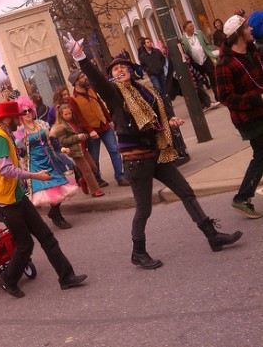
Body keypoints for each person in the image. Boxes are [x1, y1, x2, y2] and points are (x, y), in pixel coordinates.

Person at [64, 32, 243, 269]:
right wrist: (82, 58)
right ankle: (138, 252)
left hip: (157, 153)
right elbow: (98, 81)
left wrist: (169, 121)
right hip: (137, 160)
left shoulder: (144, 91)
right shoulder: (115, 94)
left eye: (123, 67)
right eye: (115, 70)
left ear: (131, 70)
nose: (119, 71)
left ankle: (213, 236)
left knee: (186, 191)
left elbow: (157, 116)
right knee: (144, 209)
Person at [0, 100, 87, 298]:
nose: (19, 120)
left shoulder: (4, 134)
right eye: (16, 117)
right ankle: (8, 279)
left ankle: (67, 277)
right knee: (25, 244)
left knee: (46, 236)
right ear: (8, 118)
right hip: (5, 202)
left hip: (16, 196)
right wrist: (35, 176)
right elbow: (4, 169)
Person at [216, 15, 263, 219]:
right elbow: (226, 97)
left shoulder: (253, 52)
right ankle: (242, 198)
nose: (251, 30)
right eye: (247, 28)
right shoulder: (225, 64)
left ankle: (243, 198)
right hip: (249, 119)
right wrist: (256, 99)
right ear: (239, 33)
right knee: (261, 155)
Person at [14, 96, 78, 229]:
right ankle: (57, 217)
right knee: (49, 190)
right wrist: (19, 149)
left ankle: (54, 213)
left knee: (59, 187)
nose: (27, 114)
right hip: (35, 164)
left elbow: (53, 140)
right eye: (24, 112)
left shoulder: (42, 124)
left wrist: (62, 148)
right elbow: (22, 153)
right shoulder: (20, 132)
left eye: (29, 110)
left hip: (50, 160)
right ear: (20, 115)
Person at [68, 69, 128, 187]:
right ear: (76, 81)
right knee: (94, 157)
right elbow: (80, 118)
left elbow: (101, 104)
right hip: (91, 131)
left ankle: (120, 176)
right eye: (82, 77)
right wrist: (90, 131)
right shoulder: (73, 99)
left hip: (104, 125)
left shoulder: (91, 90)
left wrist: (110, 120)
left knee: (114, 150)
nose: (85, 78)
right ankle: (98, 179)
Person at [51, 103, 105, 198]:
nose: (68, 116)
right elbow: (63, 141)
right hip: (75, 151)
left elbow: (80, 132)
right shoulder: (62, 127)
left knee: (93, 167)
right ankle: (95, 190)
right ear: (61, 115)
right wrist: (77, 137)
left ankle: (82, 180)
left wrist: (84, 135)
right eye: (66, 114)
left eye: (69, 113)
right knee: (87, 171)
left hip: (83, 148)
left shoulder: (74, 122)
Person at [181, 20, 220, 102]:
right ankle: (206, 102)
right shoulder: (183, 40)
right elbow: (185, 52)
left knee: (213, 78)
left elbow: (207, 43)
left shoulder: (199, 33)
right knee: (199, 84)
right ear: (185, 29)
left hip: (206, 59)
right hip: (195, 63)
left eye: (192, 26)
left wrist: (210, 52)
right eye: (190, 27)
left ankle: (218, 96)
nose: (192, 27)